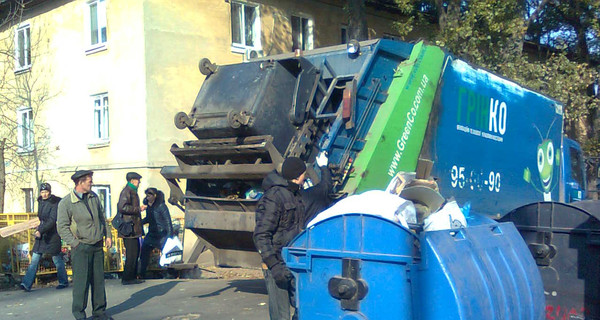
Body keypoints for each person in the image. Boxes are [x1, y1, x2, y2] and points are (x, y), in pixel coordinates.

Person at [253, 157, 308, 320]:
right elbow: (261, 235)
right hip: (276, 263)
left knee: (302, 308)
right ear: (298, 176)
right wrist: (274, 266)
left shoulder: (295, 194)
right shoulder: (274, 197)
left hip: (292, 262)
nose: (305, 178)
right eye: (304, 174)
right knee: (280, 315)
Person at [57, 170, 113, 320]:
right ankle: (79, 315)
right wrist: (75, 244)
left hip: (97, 245)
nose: (92, 183)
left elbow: (102, 218)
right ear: (80, 182)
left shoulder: (93, 197)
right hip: (81, 248)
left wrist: (108, 235)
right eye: (89, 181)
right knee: (81, 284)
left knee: (98, 282)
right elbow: (62, 227)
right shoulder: (66, 202)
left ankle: (100, 312)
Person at [20, 182, 68, 292]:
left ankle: (63, 281)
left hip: (52, 235)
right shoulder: (40, 201)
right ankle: (26, 284)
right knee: (35, 259)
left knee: (57, 259)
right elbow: (42, 218)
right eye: (42, 192)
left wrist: (40, 230)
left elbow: (52, 220)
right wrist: (37, 226)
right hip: (42, 236)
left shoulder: (55, 203)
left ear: (50, 192)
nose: (44, 194)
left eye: (46, 192)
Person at [117, 172, 145, 285]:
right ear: (133, 180)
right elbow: (122, 207)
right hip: (129, 228)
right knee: (131, 254)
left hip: (133, 228)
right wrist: (138, 209)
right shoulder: (127, 191)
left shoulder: (131, 191)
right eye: (138, 180)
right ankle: (127, 278)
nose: (139, 183)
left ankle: (132, 276)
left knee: (136, 251)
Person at [139, 187, 173, 278]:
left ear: (155, 196)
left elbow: (167, 221)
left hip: (162, 235)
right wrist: (140, 222)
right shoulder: (149, 207)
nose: (147, 197)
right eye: (147, 195)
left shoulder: (161, 206)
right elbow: (149, 219)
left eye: (149, 195)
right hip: (152, 233)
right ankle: (142, 274)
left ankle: (171, 273)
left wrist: (169, 236)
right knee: (144, 253)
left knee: (166, 254)